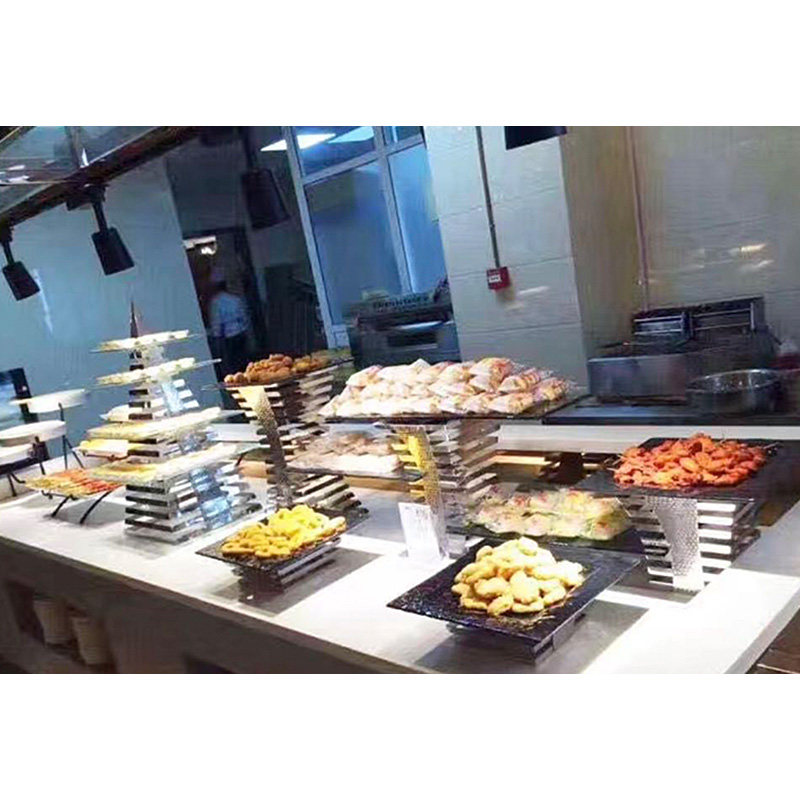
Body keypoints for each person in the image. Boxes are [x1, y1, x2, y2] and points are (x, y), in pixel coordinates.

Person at [208, 275, 250, 377]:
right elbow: (244, 316)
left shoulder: (216, 301)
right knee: (243, 358)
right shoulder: (235, 298)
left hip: (228, 335)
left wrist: (216, 336)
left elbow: (216, 321)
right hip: (240, 332)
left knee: (232, 363)